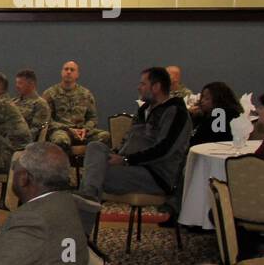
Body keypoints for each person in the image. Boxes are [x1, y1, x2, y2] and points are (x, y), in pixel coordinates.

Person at [78, 67, 191, 220]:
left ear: (156, 87)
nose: (139, 87)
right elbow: (129, 139)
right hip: (129, 166)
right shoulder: (144, 110)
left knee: (95, 175)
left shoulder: (175, 112)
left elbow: (164, 149)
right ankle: (88, 198)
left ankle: (85, 206)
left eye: (143, 84)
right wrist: (117, 155)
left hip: (155, 174)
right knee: (95, 146)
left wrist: (126, 160)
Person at [43, 60, 109, 151]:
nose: (68, 72)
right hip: (62, 131)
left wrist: (85, 129)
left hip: (82, 132)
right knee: (61, 140)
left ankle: (90, 160)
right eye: (66, 69)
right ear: (61, 72)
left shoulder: (86, 94)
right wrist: (68, 129)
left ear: (77, 75)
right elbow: (47, 120)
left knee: (105, 136)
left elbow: (92, 118)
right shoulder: (50, 93)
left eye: (72, 70)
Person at [189, 81, 240, 147]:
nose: (202, 101)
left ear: (219, 100)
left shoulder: (222, 115)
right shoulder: (204, 114)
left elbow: (203, 140)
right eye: (202, 97)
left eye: (207, 98)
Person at [11, 69, 52, 138]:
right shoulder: (13, 102)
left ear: (31, 84)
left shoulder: (40, 104)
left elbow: (36, 130)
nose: (17, 86)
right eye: (16, 83)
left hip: (22, 140)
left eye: (20, 83)